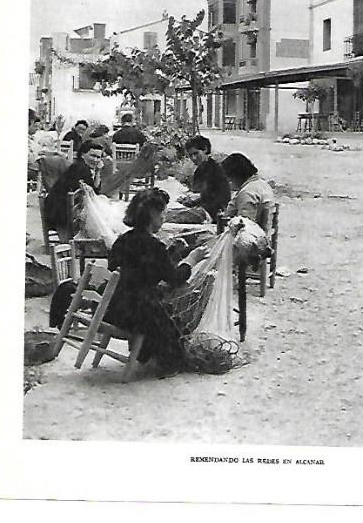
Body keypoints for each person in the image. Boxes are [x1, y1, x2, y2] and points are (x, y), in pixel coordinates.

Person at [106, 188, 208, 377]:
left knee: (161, 308)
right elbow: (175, 278)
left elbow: (139, 268)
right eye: (162, 213)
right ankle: (166, 361)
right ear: (152, 214)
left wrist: (169, 253)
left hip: (114, 307)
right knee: (170, 319)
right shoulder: (153, 246)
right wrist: (193, 258)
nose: (164, 218)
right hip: (136, 314)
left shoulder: (122, 240)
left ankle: (149, 355)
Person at [44, 140, 106, 240]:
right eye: (92, 155)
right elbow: (95, 192)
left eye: (98, 157)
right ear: (82, 155)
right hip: (60, 209)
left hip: (64, 205)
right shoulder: (80, 168)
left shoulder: (81, 166)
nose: (95, 160)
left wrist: (98, 171)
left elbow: (94, 190)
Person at [179, 135, 231, 222]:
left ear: (205, 149)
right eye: (190, 155)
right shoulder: (199, 171)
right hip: (202, 212)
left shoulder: (217, 170)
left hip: (215, 216)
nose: (193, 158)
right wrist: (188, 200)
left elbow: (223, 199)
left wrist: (199, 198)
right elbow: (199, 194)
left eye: (196, 153)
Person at [221, 153, 276, 233]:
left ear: (236, 175)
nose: (228, 182)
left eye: (229, 178)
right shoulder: (262, 184)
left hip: (252, 238)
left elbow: (244, 227)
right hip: (263, 234)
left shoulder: (247, 193)